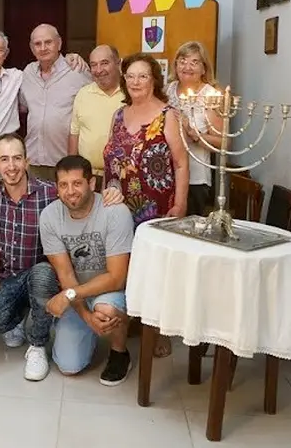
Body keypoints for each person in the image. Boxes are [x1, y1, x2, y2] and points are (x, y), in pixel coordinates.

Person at [0, 133, 125, 381]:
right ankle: (22, 317)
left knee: (42, 274)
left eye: (17, 158)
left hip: (43, 277)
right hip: (6, 278)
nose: (11, 167)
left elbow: (79, 192)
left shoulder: (51, 194)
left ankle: (37, 345)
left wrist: (113, 191)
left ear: (27, 161)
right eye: (5, 159)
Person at [103, 52, 188, 358]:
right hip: (121, 209)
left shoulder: (169, 115)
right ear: (124, 81)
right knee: (126, 269)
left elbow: (180, 163)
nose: (136, 82)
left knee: (156, 272)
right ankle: (128, 327)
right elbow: (111, 161)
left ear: (154, 80)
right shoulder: (118, 114)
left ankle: (158, 334)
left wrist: (179, 204)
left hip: (157, 208)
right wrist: (108, 192)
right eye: (131, 76)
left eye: (143, 76)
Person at [41, 155, 134, 385]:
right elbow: (66, 276)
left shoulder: (115, 212)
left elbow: (117, 278)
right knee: (69, 367)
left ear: (91, 184)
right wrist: (85, 317)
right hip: (77, 292)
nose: (70, 191)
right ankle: (89, 330)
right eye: (63, 185)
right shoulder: (50, 217)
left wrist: (70, 295)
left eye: (77, 183)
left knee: (105, 310)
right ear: (57, 188)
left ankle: (119, 352)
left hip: (110, 292)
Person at [0, 31, 87, 179]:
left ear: (6, 54)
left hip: (6, 151)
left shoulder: (18, 76)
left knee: (5, 196)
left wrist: (71, 57)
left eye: (0, 50)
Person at [20, 24, 92, 181]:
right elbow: (23, 106)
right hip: (33, 161)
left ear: (59, 44)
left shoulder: (77, 70)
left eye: (48, 42)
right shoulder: (27, 73)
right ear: (32, 48)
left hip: (65, 161)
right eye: (38, 44)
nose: (43, 48)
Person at [165, 41, 222, 216]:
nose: (187, 67)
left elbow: (222, 143)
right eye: (182, 61)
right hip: (166, 175)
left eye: (194, 62)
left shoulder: (211, 96)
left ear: (204, 69)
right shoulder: (167, 91)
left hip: (195, 179)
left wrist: (193, 133)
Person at [69, 45, 124, 190]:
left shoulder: (131, 93)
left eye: (104, 63)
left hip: (123, 177)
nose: (99, 70)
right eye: (93, 65)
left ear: (118, 64)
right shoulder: (83, 94)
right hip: (89, 177)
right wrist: (72, 172)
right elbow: (74, 134)